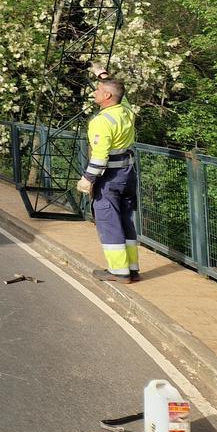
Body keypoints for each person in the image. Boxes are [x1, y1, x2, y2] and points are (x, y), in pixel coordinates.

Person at [76, 76, 139, 282]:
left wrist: (88, 179)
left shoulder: (102, 121)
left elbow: (100, 156)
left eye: (98, 89)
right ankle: (132, 268)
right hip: (128, 174)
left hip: (109, 178)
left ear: (107, 96)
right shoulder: (127, 111)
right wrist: (103, 75)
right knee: (125, 219)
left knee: (109, 222)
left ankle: (119, 271)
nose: (94, 92)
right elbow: (124, 94)